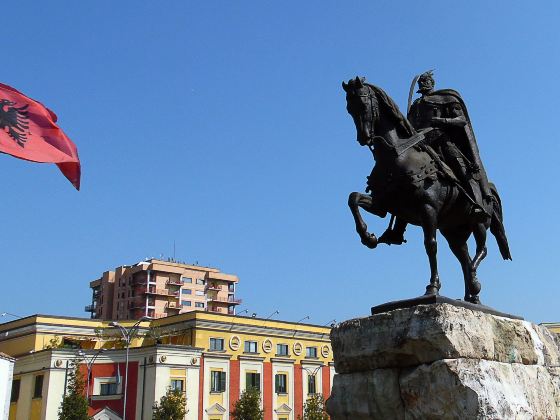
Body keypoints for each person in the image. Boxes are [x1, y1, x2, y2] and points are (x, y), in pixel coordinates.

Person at [379, 71, 491, 245]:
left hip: (441, 141)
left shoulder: (446, 98)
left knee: (460, 168)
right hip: (420, 145)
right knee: (404, 177)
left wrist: (442, 121)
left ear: (432, 83)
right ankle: (397, 231)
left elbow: (461, 120)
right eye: (422, 82)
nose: (424, 84)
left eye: (427, 81)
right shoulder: (416, 105)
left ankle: (477, 205)